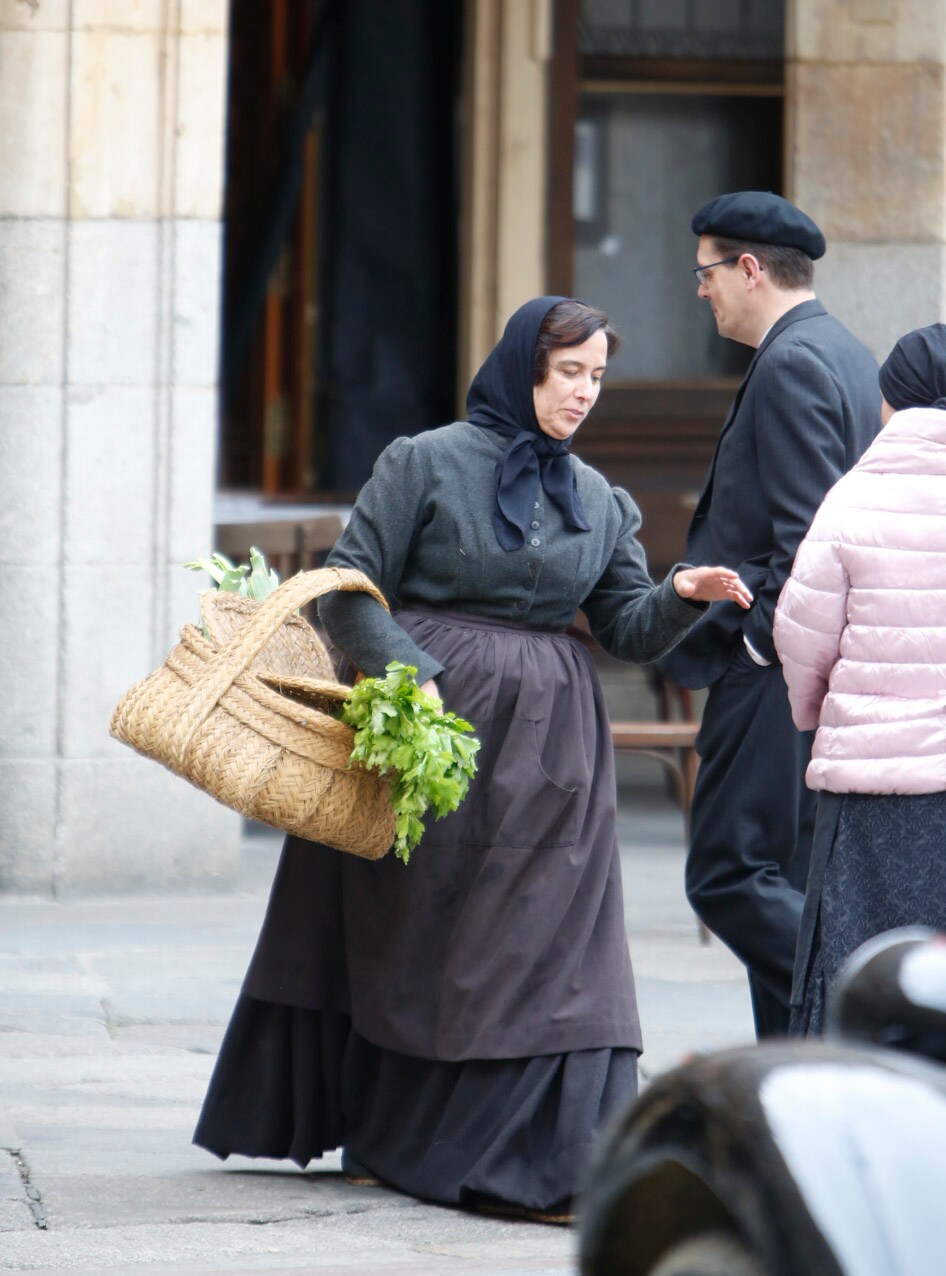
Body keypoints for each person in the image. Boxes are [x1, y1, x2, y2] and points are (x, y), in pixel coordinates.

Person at [193, 296, 751, 1220]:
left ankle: (556, 1159)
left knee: (555, 950)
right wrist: (411, 680)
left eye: (598, 377)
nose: (584, 394)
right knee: (421, 940)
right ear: (523, 366)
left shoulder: (601, 500)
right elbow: (347, 589)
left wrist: (682, 591)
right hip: (427, 741)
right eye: (570, 372)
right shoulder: (423, 462)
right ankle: (392, 1135)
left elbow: (625, 626)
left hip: (552, 758)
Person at [657, 191, 882, 1038]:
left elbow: (808, 542)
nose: (700, 290)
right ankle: (802, 1081)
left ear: (749, 269)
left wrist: (754, 648)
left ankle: (875, 1010)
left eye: (706, 272)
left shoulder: (793, 362)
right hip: (811, 672)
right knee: (780, 878)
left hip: (776, 673)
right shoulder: (845, 352)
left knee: (729, 875)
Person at [774, 324, 946, 1034]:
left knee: (861, 982)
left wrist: (820, 717)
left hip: (874, 793)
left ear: (889, 401)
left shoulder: (853, 499)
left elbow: (800, 633)